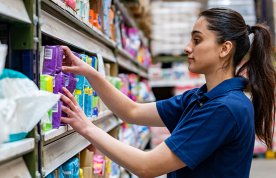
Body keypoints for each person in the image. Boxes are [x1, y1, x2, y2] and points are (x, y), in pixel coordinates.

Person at [59, 8, 276, 178]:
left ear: (224, 49)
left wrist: (86, 127)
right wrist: (89, 73)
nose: (187, 47)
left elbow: (146, 167)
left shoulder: (224, 108)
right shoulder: (199, 98)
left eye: (197, 40)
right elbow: (131, 112)